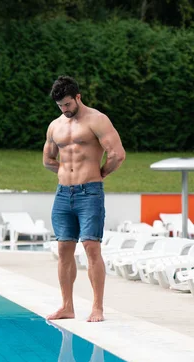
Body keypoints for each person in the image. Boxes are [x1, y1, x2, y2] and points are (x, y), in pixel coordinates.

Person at [42, 75, 126, 323]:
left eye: (67, 104)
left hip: (89, 192)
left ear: (78, 97)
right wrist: (62, 170)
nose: (64, 110)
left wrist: (101, 173)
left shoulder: (97, 120)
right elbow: (47, 159)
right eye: (60, 106)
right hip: (62, 194)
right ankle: (67, 306)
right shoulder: (55, 125)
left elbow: (117, 154)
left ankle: (97, 307)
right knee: (64, 248)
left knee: (91, 247)